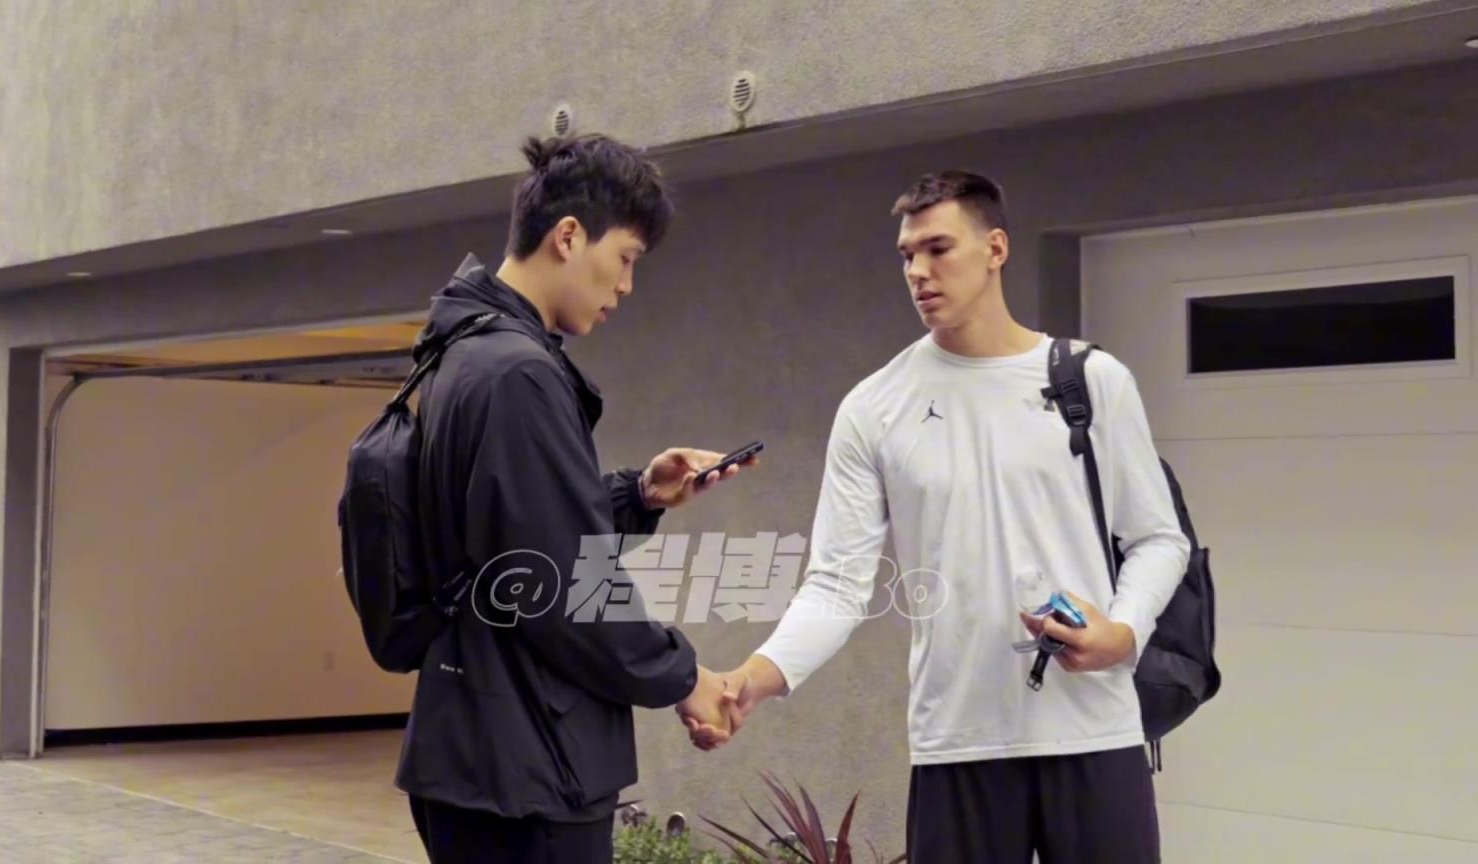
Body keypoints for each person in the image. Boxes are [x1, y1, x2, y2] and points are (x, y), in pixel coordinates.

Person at [689, 171, 1189, 863]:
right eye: (907, 255)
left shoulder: (1092, 381)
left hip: (1094, 733)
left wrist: (1124, 633)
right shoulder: (874, 408)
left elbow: (1159, 540)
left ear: (996, 249)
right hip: (957, 744)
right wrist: (753, 680)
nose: (918, 272)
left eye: (938, 249)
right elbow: (837, 585)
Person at [399, 133, 744, 864]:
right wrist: (683, 676)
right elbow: (562, 586)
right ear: (567, 236)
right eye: (626, 258)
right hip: (527, 768)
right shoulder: (518, 373)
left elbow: (511, 535)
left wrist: (638, 494)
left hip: (480, 749)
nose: (626, 285)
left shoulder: (464, 354)